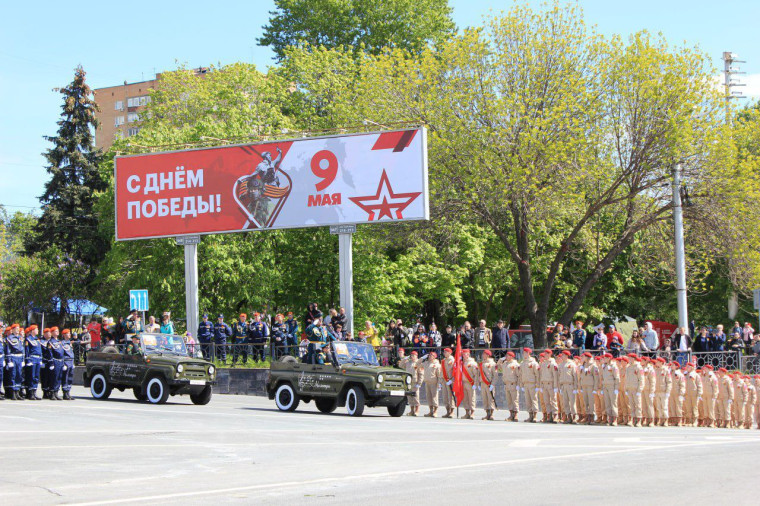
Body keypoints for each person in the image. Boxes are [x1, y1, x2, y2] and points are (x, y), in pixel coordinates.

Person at [4, 324, 25, 400]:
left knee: (19, 375)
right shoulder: (9, 338)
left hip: (19, 358)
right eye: (16, 328)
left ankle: (17, 392)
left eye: (18, 328)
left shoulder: (20, 338)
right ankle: (13, 393)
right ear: (12, 330)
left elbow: (22, 349)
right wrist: (9, 361)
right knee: (13, 375)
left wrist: (23, 360)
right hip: (13, 357)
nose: (17, 330)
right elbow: (8, 350)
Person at [557, 350, 578, 424]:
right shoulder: (560, 365)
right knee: (565, 402)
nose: (561, 356)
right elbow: (558, 377)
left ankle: (574, 417)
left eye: (563, 355)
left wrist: (575, 387)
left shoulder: (572, 364)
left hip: (570, 385)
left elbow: (575, 376)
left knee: (572, 402)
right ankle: (568, 417)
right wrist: (559, 387)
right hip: (563, 385)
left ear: (566, 355)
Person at [519, 347, 540, 422]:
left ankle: (535, 415)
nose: (524, 354)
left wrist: (537, 385)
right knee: (527, 400)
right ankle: (530, 415)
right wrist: (521, 384)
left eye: (525, 353)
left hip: (532, 384)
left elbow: (537, 375)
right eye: (523, 353)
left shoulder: (533, 363)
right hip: (525, 384)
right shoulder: (522, 363)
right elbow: (520, 374)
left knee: (533, 399)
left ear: (528, 353)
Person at [399, 350, 423, 416]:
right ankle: (412, 410)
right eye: (411, 355)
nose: (412, 357)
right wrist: (405, 359)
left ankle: (417, 410)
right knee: (409, 397)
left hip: (415, 382)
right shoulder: (408, 363)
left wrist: (419, 383)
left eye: (414, 355)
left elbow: (421, 374)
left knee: (415, 396)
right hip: (408, 382)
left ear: (416, 356)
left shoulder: (418, 363)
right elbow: (400, 365)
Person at [476, 350, 497, 420]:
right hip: (482, 384)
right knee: (485, 399)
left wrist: (492, 385)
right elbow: (478, 374)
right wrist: (478, 384)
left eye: (484, 354)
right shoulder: (481, 364)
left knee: (491, 399)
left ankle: (491, 414)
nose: (483, 355)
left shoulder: (493, 364)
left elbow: (495, 376)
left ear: (488, 355)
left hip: (489, 384)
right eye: (483, 354)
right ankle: (487, 414)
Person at [420, 350, 442, 417]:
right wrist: (422, 358)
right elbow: (417, 365)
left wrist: (439, 384)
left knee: (434, 397)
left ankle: (435, 411)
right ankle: (431, 411)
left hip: (434, 383)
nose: (430, 356)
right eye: (429, 355)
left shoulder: (437, 365)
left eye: (431, 355)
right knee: (429, 397)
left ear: (435, 357)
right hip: (427, 382)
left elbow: (439, 376)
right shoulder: (426, 363)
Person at [625, 355, 645, 427]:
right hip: (630, 388)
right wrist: (626, 388)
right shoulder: (628, 367)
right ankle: (633, 420)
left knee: (638, 405)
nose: (629, 359)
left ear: (633, 359)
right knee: (631, 405)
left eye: (630, 358)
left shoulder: (638, 367)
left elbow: (641, 379)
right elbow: (626, 379)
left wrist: (640, 390)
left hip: (636, 389)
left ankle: (639, 420)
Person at [23, 325, 42, 400]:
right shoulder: (28, 339)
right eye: (36, 329)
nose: (37, 330)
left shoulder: (37, 339)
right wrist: (28, 360)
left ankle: (34, 391)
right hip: (32, 359)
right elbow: (27, 350)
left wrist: (40, 359)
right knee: (31, 376)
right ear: (32, 330)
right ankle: (30, 392)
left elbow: (39, 351)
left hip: (37, 359)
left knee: (36, 377)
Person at [47, 327, 65, 401]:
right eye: (55, 331)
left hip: (60, 361)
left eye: (58, 331)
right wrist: (51, 363)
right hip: (55, 361)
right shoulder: (50, 342)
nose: (57, 332)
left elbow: (62, 352)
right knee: (54, 377)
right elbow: (50, 353)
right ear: (52, 332)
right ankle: (52, 393)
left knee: (59, 377)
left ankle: (56, 392)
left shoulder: (59, 341)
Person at [683, 361, 702, 427]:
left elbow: (699, 384)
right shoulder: (685, 375)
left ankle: (695, 421)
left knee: (694, 407)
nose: (687, 368)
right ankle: (690, 420)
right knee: (688, 408)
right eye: (686, 367)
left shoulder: (696, 375)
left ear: (691, 368)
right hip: (687, 393)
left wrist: (699, 394)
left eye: (688, 367)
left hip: (694, 393)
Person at [653, 358, 672, 426]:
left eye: (658, 362)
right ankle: (661, 419)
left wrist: (668, 391)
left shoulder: (666, 370)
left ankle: (666, 420)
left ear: (661, 362)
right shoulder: (656, 370)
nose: (656, 363)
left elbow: (669, 381)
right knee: (659, 407)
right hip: (657, 391)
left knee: (664, 407)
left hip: (663, 391)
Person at [461, 349, 479, 420]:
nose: (463, 355)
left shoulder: (472, 363)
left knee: (471, 398)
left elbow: (476, 375)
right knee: (465, 399)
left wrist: (475, 384)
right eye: (463, 354)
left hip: (470, 383)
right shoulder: (462, 363)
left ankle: (472, 413)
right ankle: (467, 413)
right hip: (463, 383)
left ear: (468, 354)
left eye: (465, 354)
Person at [439, 347, 456, 418]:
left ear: (450, 353)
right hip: (444, 380)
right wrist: (440, 381)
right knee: (445, 396)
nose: (444, 353)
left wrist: (452, 380)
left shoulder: (452, 360)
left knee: (450, 396)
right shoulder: (443, 361)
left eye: (446, 352)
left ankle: (452, 412)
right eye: (444, 352)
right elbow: (441, 371)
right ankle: (447, 411)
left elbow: (455, 371)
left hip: (450, 381)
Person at [60, 329, 75, 400]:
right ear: (64, 335)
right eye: (68, 333)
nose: (69, 335)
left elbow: (71, 353)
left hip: (71, 361)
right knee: (65, 378)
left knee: (70, 378)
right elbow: (62, 354)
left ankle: (68, 391)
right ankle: (65, 393)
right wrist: (63, 364)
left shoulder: (69, 343)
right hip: (66, 362)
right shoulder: (62, 343)